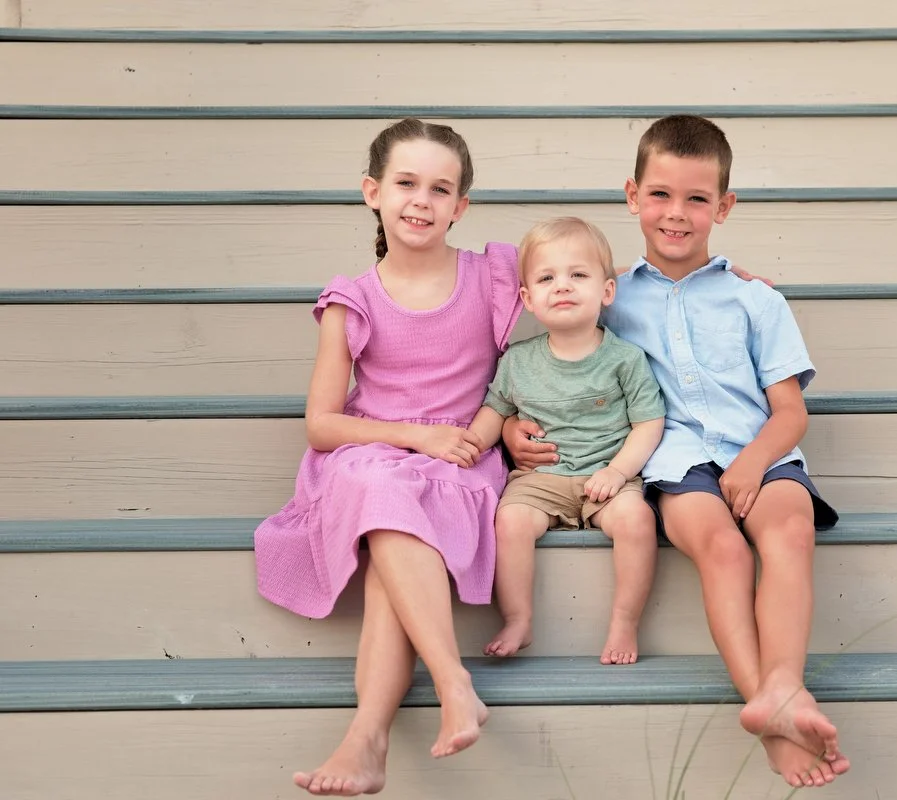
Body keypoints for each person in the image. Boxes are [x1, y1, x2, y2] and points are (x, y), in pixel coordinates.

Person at [504, 115, 852, 789]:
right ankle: (774, 708)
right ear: (632, 196)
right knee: (721, 549)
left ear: (723, 207)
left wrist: (753, 464)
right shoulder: (607, 292)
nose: (677, 214)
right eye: (660, 195)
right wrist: (515, 423)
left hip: (762, 451)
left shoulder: (754, 299)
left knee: (790, 530)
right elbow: (551, 341)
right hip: (674, 464)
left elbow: (790, 412)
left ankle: (781, 686)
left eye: (697, 199)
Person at [254, 118, 524, 796]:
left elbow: (588, 284)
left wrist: (708, 274)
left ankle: (366, 737)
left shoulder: (492, 275)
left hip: (460, 462)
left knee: (388, 554)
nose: (421, 201)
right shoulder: (354, 299)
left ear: (460, 206)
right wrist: (414, 435)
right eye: (405, 183)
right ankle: (452, 681)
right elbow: (322, 425)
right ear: (372, 192)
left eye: (441, 189)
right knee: (379, 488)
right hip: (371, 454)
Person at [467, 216, 665, 666]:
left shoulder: (625, 359)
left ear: (607, 291)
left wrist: (618, 472)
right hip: (542, 480)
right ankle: (518, 618)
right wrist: (473, 443)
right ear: (528, 299)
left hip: (607, 478)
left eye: (578, 275)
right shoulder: (518, 362)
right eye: (547, 278)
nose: (563, 286)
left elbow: (648, 423)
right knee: (512, 520)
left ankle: (624, 621)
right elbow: (495, 410)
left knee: (637, 521)